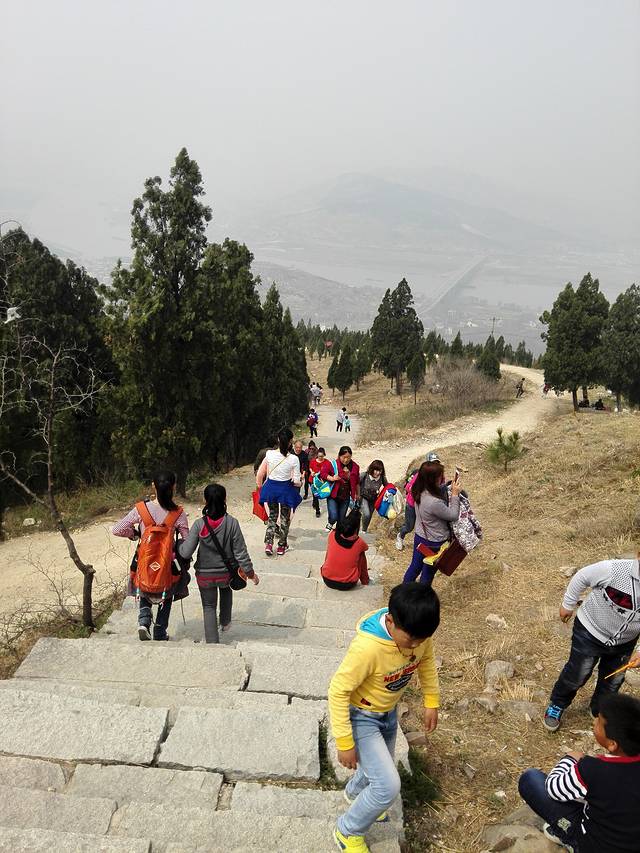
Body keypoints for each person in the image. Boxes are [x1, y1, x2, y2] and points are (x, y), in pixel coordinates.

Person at [329, 583, 440, 852]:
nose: (415, 646)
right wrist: (344, 742)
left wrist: (431, 702)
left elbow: (425, 663)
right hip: (362, 717)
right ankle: (347, 830)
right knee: (388, 787)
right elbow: (337, 691)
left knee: (377, 772)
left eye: (421, 640)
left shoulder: (418, 635)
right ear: (390, 621)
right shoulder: (368, 649)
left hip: (388, 713)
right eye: (410, 640)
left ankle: (356, 794)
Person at [519, 693, 640, 852]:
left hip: (591, 844)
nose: (594, 721)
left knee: (530, 780)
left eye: (599, 722)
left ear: (612, 744)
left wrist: (570, 759)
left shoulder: (593, 769)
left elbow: (554, 788)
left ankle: (569, 836)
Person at [543, 554, 640, 732]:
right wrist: (568, 604)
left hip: (624, 643)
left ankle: (599, 711)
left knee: (613, 680)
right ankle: (557, 704)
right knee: (577, 674)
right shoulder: (615, 570)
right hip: (590, 631)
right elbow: (582, 576)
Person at [112, 470, 189, 642]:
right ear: (174, 487)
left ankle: (144, 622)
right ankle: (160, 632)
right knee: (166, 594)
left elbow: (117, 529)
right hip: (167, 562)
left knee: (145, 586)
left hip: (144, 560)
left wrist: (135, 534)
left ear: (153, 486)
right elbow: (187, 541)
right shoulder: (178, 513)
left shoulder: (140, 509)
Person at [177, 484, 259, 643]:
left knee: (208, 607)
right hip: (226, 574)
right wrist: (250, 573)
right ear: (225, 499)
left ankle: (212, 643)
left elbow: (186, 552)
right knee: (226, 589)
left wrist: (179, 545)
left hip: (205, 576)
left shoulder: (199, 525)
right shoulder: (232, 523)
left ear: (205, 500)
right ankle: (225, 621)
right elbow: (241, 553)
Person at [403, 460, 461, 586]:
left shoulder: (417, 490)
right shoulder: (434, 502)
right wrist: (455, 495)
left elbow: (436, 490)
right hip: (434, 542)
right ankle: (423, 598)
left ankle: (404, 592)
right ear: (433, 479)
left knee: (414, 567)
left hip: (420, 537)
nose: (442, 478)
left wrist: (448, 487)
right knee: (428, 572)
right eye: (440, 476)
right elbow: (453, 515)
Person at [256, 427, 302, 556]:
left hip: (271, 489)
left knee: (272, 517)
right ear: (290, 442)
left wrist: (260, 487)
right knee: (284, 519)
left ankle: (269, 544)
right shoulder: (294, 459)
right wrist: (299, 482)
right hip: (285, 490)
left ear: (278, 440)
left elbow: (260, 473)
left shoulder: (269, 454)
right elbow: (297, 481)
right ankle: (281, 546)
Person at [395, 451, 440, 551]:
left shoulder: (439, 477)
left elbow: (441, 488)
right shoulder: (420, 475)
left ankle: (426, 546)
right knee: (409, 527)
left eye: (437, 463)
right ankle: (400, 536)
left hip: (427, 507)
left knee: (426, 526)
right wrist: (419, 492)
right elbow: (407, 487)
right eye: (432, 463)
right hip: (412, 504)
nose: (435, 466)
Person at [321, 510, 369, 590]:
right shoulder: (359, 542)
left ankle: (330, 569)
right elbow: (365, 548)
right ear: (356, 528)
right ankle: (365, 580)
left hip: (327, 579)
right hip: (348, 584)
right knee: (361, 555)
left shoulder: (332, 534)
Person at [325, 445, 360, 531]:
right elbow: (323, 473)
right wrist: (332, 478)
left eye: (348, 457)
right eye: (344, 457)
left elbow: (357, 482)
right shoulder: (333, 464)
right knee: (333, 516)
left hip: (345, 497)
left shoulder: (355, 467)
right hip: (333, 495)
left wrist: (358, 494)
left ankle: (337, 537)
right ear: (339, 456)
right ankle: (330, 522)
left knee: (341, 520)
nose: (346, 460)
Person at [359, 461, 388, 533]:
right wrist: (357, 494)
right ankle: (362, 530)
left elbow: (387, 486)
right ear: (372, 469)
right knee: (366, 513)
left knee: (369, 516)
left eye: (379, 471)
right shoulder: (364, 475)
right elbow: (356, 483)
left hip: (374, 499)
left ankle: (364, 530)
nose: (377, 473)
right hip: (363, 497)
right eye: (376, 470)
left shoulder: (382, 478)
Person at [309, 446, 333, 518]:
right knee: (315, 495)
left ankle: (316, 503)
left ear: (324, 455)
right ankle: (317, 510)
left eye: (322, 456)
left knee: (323, 494)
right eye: (319, 456)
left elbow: (330, 472)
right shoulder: (313, 461)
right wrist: (312, 472)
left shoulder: (327, 462)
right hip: (313, 481)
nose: (320, 458)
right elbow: (310, 467)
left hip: (323, 482)